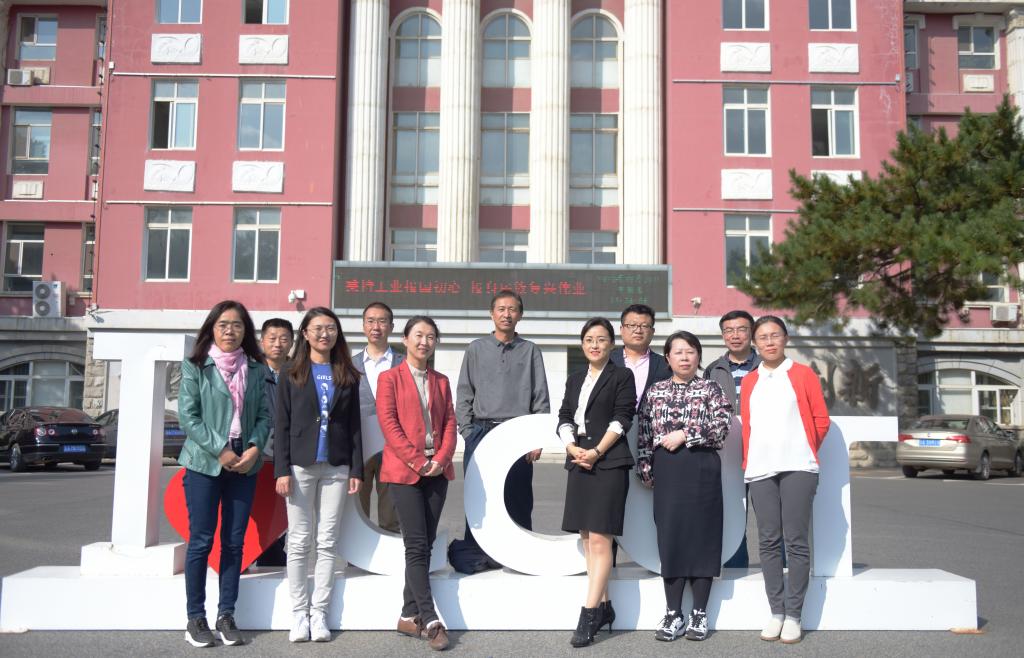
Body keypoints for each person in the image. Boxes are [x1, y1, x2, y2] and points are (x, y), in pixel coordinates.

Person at [178, 300, 270, 648]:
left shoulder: (257, 369)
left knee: (234, 542)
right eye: (223, 324)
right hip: (205, 462)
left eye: (237, 325)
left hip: (244, 463)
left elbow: (264, 415)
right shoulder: (195, 367)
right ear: (212, 329)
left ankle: (226, 615)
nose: (230, 331)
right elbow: (188, 417)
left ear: (246, 331)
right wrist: (221, 449)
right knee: (201, 541)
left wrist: (254, 448)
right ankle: (195, 618)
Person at [274, 308, 363, 643]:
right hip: (300, 466)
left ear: (337, 333)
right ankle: (299, 614)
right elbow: (281, 424)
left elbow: (354, 426)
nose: (325, 334)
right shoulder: (291, 372)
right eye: (318, 328)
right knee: (299, 541)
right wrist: (281, 469)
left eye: (331, 328)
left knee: (328, 542)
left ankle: (319, 613)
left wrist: (356, 468)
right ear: (305, 333)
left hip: (337, 466)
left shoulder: (347, 373)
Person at [636, 331, 732, 642]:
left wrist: (686, 434)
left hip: (702, 467)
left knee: (703, 537)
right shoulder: (655, 391)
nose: (685, 357)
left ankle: (699, 613)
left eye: (690, 351)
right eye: (678, 352)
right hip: (667, 470)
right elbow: (644, 433)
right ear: (668, 358)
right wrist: (645, 467)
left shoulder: (711, 388)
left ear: (698, 356)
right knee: (671, 537)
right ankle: (673, 612)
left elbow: (722, 426)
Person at [741, 316, 830, 645]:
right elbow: (748, 424)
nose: (769, 342)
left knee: (795, 541)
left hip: (798, 467)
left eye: (774, 335)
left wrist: (803, 448)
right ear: (755, 343)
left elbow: (821, 420)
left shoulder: (803, 374)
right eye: (762, 337)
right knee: (767, 541)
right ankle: (776, 611)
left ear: (786, 338)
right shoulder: (750, 380)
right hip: (761, 469)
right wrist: (749, 460)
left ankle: (794, 614)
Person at [376, 316, 458, 652]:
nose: (425, 342)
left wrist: (441, 458)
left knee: (425, 545)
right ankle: (430, 618)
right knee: (415, 544)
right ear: (406, 339)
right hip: (404, 472)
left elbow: (449, 421)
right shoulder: (389, 378)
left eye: (431, 336)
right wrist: (417, 461)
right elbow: (389, 424)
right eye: (419, 335)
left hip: (437, 471)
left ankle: (408, 616)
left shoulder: (441, 380)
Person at [453, 290, 549, 568]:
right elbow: (464, 393)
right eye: (501, 309)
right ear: (492, 313)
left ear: (520, 315)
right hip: (481, 432)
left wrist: (537, 438)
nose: (507, 314)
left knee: (518, 497)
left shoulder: (530, 350)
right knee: (479, 499)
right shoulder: (476, 349)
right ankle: (476, 556)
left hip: (518, 433)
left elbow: (540, 396)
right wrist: (468, 432)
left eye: (512, 309)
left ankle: (519, 558)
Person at [556, 317, 637, 648]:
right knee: (588, 539)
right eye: (589, 339)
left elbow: (623, 417)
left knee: (602, 540)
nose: (595, 345)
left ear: (611, 345)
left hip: (608, 462)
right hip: (579, 461)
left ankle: (588, 614)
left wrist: (597, 451)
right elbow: (564, 416)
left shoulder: (622, 376)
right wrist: (571, 446)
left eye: (602, 339)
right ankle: (604, 606)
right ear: (582, 344)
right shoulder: (575, 379)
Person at [704, 310, 761, 569]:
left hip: (762, 452)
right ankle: (736, 572)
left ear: (751, 333)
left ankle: (782, 572)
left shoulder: (767, 365)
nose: (735, 335)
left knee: (773, 518)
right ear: (723, 335)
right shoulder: (713, 369)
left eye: (741, 329)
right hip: (727, 454)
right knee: (733, 517)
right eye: (728, 330)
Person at [352, 302, 403, 532]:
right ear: (363, 326)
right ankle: (358, 551)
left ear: (391, 326)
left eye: (382, 321)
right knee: (357, 508)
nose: (376, 327)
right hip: (359, 446)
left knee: (392, 510)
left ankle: (390, 548)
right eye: (370, 321)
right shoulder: (349, 364)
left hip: (393, 447)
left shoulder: (404, 363)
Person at [254, 317, 294, 567]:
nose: (278, 344)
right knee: (258, 505)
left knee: (283, 507)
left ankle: (274, 552)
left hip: (289, 452)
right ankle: (257, 551)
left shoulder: (299, 372)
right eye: (272, 338)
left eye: (284, 339)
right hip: (258, 452)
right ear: (262, 341)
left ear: (292, 342)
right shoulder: (252, 372)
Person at [610, 304, 672, 408]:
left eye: (644, 326)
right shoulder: (607, 361)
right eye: (632, 325)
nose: (638, 331)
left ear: (652, 332)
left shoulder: (665, 365)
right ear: (621, 329)